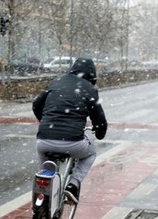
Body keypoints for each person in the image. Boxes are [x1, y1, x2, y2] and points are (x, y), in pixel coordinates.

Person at [32, 57, 108, 204]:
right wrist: (99, 133)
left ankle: (43, 195)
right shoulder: (89, 89)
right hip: (73, 143)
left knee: (46, 169)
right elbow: (99, 118)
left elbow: (36, 104)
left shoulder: (56, 81)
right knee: (91, 152)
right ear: (92, 75)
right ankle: (73, 185)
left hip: (44, 141)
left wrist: (45, 122)